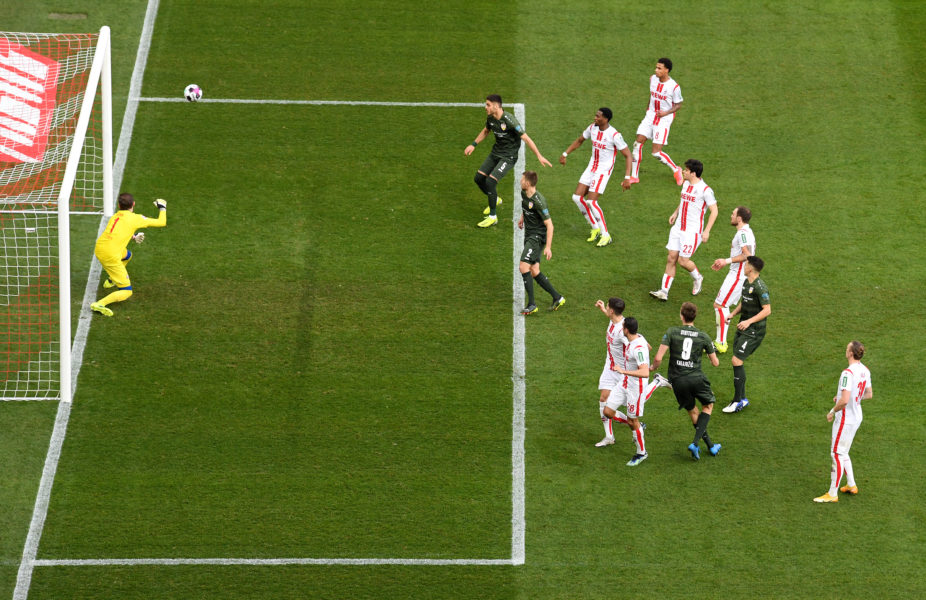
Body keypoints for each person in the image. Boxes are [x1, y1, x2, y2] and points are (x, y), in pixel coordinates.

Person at [464, 94, 552, 228]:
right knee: (478, 178)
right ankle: (495, 199)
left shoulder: (510, 121)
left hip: (508, 157)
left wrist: (539, 156)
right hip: (495, 153)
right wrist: (473, 144)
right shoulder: (491, 118)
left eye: (488, 105)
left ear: (496, 106)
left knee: (490, 181)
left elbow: (526, 138)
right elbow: (486, 131)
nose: (485, 107)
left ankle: (493, 217)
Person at [652, 302, 721, 460]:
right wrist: (708, 352)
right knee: (708, 405)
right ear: (694, 316)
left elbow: (658, 358)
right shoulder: (703, 336)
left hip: (677, 381)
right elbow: (715, 363)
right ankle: (695, 443)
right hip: (696, 378)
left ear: (681, 315)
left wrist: (652, 367)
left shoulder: (672, 332)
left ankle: (710, 446)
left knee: (693, 411)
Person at [559, 107, 632, 247]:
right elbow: (580, 140)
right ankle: (595, 228)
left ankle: (606, 235)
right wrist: (565, 154)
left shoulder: (614, 135)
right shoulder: (592, 128)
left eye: (598, 116)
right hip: (591, 167)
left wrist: (627, 177)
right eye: (595, 115)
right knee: (577, 198)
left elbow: (628, 155)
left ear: (606, 119)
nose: (595, 118)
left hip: (603, 171)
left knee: (592, 202)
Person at [649, 159, 718, 301]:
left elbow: (714, 211)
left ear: (693, 173)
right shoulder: (686, 184)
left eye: (686, 170)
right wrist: (675, 213)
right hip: (678, 228)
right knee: (671, 258)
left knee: (683, 261)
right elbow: (684, 201)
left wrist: (707, 231)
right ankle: (664, 291)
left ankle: (698, 278)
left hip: (692, 232)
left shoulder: (705, 190)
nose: (683, 172)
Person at [814, 341, 872, 503]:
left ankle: (832, 493)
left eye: (847, 348)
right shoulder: (865, 370)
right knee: (843, 451)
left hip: (846, 419)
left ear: (851, 353)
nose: (845, 350)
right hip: (857, 416)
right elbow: (868, 394)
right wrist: (844, 398)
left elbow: (845, 401)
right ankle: (851, 485)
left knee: (836, 453)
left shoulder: (847, 373)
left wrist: (832, 410)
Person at [90, 193, 167, 317]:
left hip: (101, 247)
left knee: (127, 255)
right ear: (133, 204)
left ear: (119, 205)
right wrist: (162, 208)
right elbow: (161, 222)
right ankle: (99, 304)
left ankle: (112, 279)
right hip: (110, 254)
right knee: (126, 291)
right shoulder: (136, 218)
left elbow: (119, 230)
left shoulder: (116, 216)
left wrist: (133, 237)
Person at [720, 256, 771, 414]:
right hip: (743, 326)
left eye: (746, 264)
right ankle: (742, 398)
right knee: (737, 360)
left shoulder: (760, 287)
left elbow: (767, 310)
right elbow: (745, 301)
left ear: (751, 268)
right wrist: (733, 314)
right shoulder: (746, 282)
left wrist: (749, 322)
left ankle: (737, 401)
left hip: (754, 330)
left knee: (736, 360)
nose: (744, 266)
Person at [630, 58, 684, 186]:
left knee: (656, 152)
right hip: (650, 116)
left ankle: (676, 170)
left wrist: (665, 113)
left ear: (667, 70)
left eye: (659, 68)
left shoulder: (674, 87)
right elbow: (652, 96)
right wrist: (648, 109)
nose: (656, 70)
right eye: (656, 67)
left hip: (663, 119)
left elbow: (678, 105)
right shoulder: (652, 79)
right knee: (637, 143)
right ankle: (634, 176)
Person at [517, 171, 565, 315]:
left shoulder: (539, 201)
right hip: (529, 235)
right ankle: (557, 297)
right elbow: (526, 207)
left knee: (523, 266)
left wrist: (548, 247)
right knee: (534, 270)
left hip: (537, 237)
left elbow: (550, 225)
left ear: (528, 183)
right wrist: (522, 217)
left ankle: (532, 304)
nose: (520, 181)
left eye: (522, 179)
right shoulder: (524, 193)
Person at [710, 207, 756, 353]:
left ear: (739, 218)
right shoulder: (747, 232)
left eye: (733, 214)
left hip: (738, 276)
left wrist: (726, 261)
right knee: (722, 305)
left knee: (720, 305)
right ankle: (720, 341)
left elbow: (747, 255)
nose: (731, 216)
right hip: (738, 275)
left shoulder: (742, 234)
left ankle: (720, 343)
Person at [607, 317, 651, 466]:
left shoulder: (637, 348)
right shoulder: (637, 338)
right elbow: (649, 347)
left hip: (635, 387)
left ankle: (641, 453)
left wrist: (623, 371)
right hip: (624, 383)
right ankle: (638, 427)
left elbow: (645, 372)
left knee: (633, 421)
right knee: (608, 411)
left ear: (626, 330)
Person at [592, 297, 632, 447]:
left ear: (612, 311)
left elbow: (633, 344)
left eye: (608, 306)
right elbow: (612, 319)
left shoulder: (623, 331)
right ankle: (609, 437)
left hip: (622, 372)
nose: (606, 307)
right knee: (603, 399)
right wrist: (603, 309)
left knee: (632, 403)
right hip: (610, 367)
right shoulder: (614, 319)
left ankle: (657, 383)